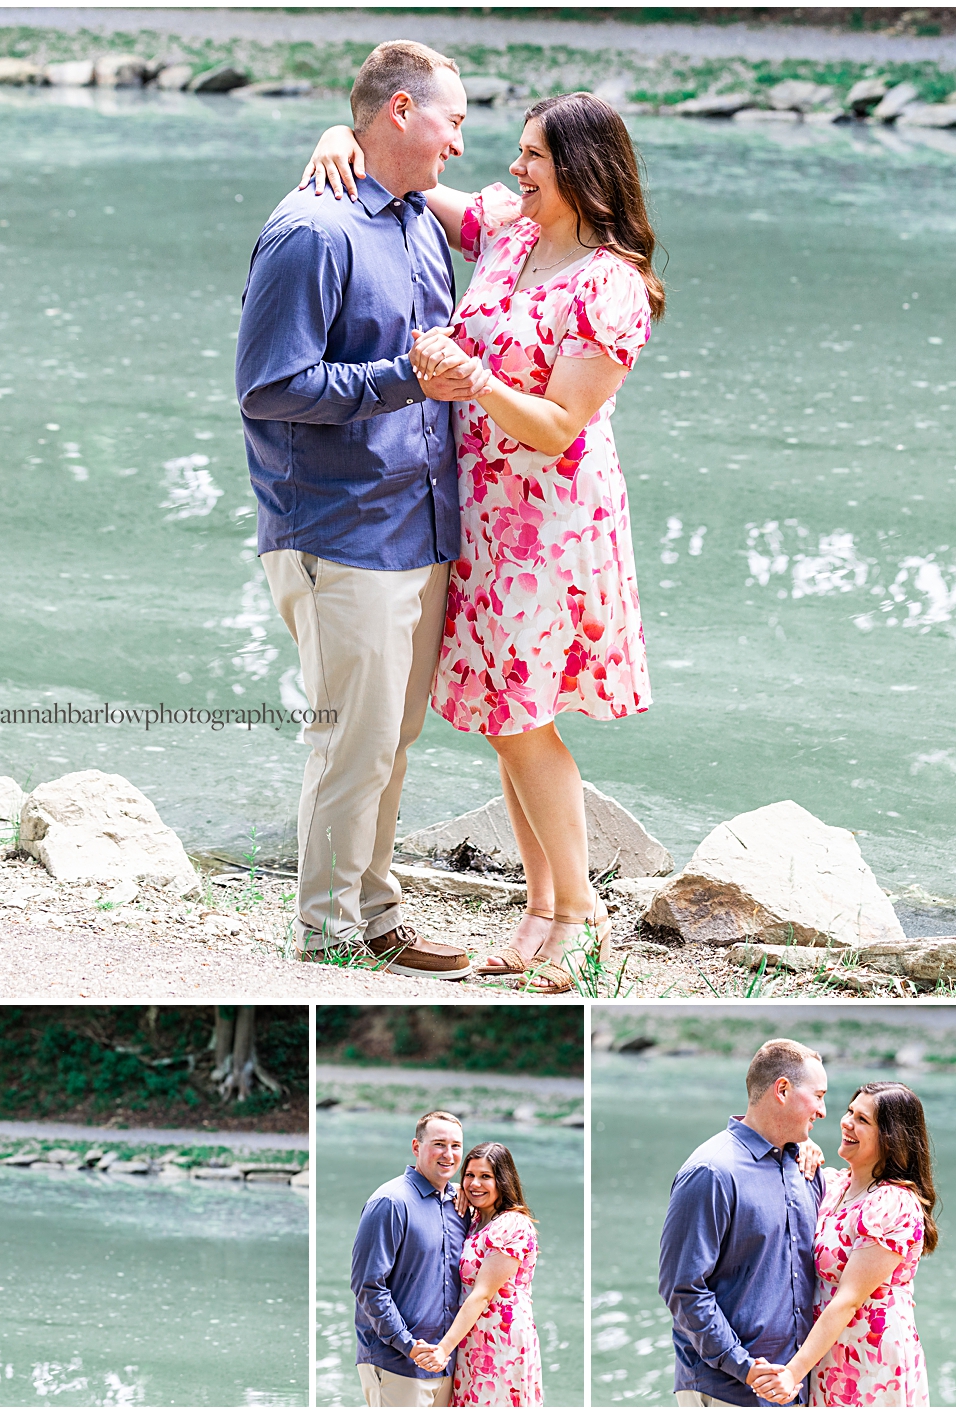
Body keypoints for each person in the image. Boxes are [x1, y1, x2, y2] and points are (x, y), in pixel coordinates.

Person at [302, 89, 663, 993]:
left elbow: (558, 425)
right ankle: (540, 910)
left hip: (550, 527)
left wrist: (472, 382)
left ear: (581, 170)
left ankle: (580, 919)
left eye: (533, 155)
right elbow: (414, 183)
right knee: (508, 722)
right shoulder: (511, 229)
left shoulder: (610, 284)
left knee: (523, 720)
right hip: (484, 519)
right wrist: (341, 136)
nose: (513, 168)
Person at [235, 40, 486, 981]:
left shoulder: (421, 221)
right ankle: (327, 934)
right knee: (351, 740)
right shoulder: (312, 231)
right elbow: (267, 386)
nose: (460, 142)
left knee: (391, 740)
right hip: (337, 530)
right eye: (451, 120)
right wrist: (397, 379)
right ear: (399, 114)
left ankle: (375, 915)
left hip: (417, 526)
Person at [658, 1040, 828, 1407]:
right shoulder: (711, 1172)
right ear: (782, 1090)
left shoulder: (806, 1169)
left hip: (794, 1388)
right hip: (726, 1392)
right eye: (818, 1096)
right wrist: (746, 1368)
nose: (824, 1110)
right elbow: (683, 1289)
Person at [750, 1083, 935, 1408]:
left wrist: (792, 1373)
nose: (846, 1122)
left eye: (862, 1119)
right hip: (828, 1350)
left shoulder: (893, 1203)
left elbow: (848, 1300)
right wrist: (804, 1144)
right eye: (850, 1111)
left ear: (891, 1137)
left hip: (871, 1359)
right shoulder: (835, 1185)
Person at [351, 1111, 471, 1406]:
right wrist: (407, 1344)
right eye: (439, 1144)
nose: (449, 1154)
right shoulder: (390, 1202)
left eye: (456, 1146)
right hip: (397, 1364)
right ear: (417, 1147)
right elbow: (368, 1285)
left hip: (446, 1363)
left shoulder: (460, 1205)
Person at [415, 1141, 543, 1407]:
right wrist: (456, 1189)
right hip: (473, 1335)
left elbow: (482, 1294)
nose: (475, 1184)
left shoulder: (512, 1224)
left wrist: (443, 1349)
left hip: (501, 1339)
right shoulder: (475, 1219)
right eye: (470, 1175)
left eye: (486, 1177)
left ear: (503, 1180)